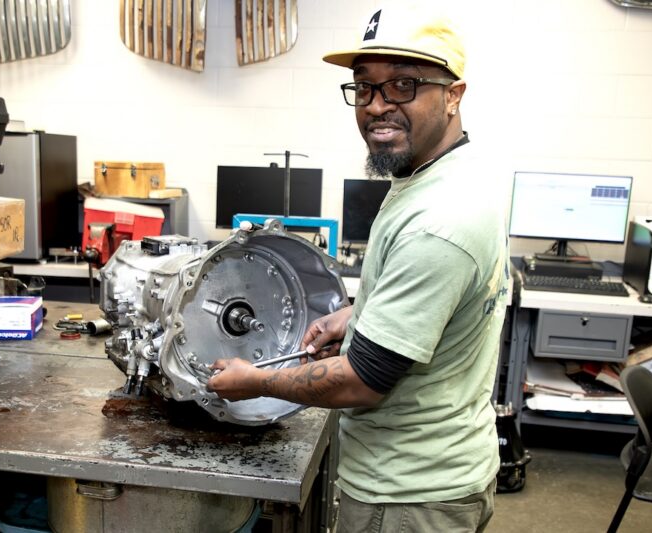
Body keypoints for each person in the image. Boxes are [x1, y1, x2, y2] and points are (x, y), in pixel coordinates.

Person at [207, 4, 510, 532]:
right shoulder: (442, 173)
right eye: (364, 87)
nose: (376, 106)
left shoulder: (438, 220)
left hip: (409, 495)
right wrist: (356, 313)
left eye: (403, 85)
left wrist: (255, 380)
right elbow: (436, 298)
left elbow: (362, 381)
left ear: (454, 94)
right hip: (440, 467)